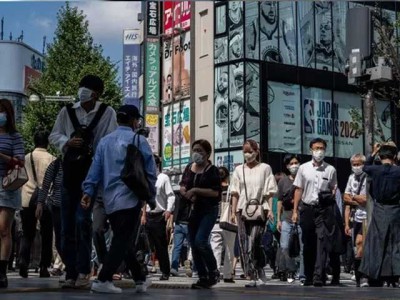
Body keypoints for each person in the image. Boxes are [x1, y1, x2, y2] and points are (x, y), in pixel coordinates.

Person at [49, 75, 117, 288]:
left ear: (95, 94)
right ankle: (70, 271)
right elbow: (54, 135)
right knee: (66, 225)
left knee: (82, 221)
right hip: (69, 172)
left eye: (85, 89)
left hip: (92, 174)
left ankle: (83, 270)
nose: (81, 92)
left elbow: (109, 141)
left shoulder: (107, 113)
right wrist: (67, 141)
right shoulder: (67, 112)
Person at [82, 105, 157, 294]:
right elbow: (150, 172)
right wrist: (151, 196)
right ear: (134, 121)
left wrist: (88, 191)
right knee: (122, 240)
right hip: (130, 198)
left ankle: (140, 279)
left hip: (108, 199)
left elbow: (95, 169)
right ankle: (103, 279)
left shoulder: (105, 142)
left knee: (123, 241)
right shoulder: (139, 140)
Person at [292, 138, 342, 287]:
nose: (319, 151)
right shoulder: (303, 168)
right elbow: (298, 189)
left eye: (321, 148)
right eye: (316, 148)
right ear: (311, 150)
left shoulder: (330, 169)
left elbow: (334, 189)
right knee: (308, 243)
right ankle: (307, 275)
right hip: (307, 208)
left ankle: (318, 276)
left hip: (323, 210)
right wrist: (295, 210)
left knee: (322, 241)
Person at [230, 139, 277, 287]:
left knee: (255, 241)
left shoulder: (265, 168)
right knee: (244, 243)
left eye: (250, 151)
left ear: (257, 152)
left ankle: (260, 266)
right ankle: (251, 275)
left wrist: (270, 209)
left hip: (259, 208)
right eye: (245, 151)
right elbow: (235, 192)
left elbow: (269, 191)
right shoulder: (239, 170)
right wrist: (233, 212)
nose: (247, 154)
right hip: (242, 209)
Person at [180, 139, 221, 289]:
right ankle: (203, 276)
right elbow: (183, 185)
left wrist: (196, 190)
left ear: (208, 154)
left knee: (200, 241)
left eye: (200, 151)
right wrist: (186, 193)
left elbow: (215, 192)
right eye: (195, 150)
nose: (196, 154)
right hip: (192, 210)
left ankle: (213, 271)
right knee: (193, 243)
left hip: (208, 210)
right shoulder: (189, 168)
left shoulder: (212, 170)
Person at [360, 142, 400, 287]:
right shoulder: (398, 171)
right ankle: (395, 276)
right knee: (395, 241)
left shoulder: (375, 169)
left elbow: (364, 166)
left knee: (375, 241)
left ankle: (368, 275)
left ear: (381, 156)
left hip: (379, 208)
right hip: (395, 208)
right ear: (394, 157)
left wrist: (373, 153)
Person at [19, 131, 55, 278]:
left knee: (27, 234)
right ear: (47, 142)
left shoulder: (25, 158)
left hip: (27, 199)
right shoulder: (53, 159)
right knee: (47, 235)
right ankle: (44, 267)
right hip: (46, 200)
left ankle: (23, 262)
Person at [0, 98, 25, 288]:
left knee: (3, 229)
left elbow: (20, 161)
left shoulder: (14, 136)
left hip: (7, 185)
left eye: (3, 111)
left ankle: (2, 271)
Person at [142, 154, 175, 281]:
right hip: (147, 215)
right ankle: (142, 267)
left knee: (160, 245)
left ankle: (165, 271)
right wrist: (143, 214)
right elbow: (144, 198)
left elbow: (171, 195)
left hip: (159, 215)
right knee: (144, 244)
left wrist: (168, 210)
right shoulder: (145, 178)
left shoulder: (163, 178)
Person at [276, 155, 304, 283]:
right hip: (286, 218)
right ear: (287, 166)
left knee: (303, 247)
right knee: (285, 246)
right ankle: (290, 270)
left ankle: (302, 273)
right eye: (291, 163)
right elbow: (279, 201)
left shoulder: (304, 179)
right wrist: (278, 219)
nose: (294, 165)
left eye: (296, 162)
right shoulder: (283, 181)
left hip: (302, 217)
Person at [343, 153, 368, 287]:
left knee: (362, 245)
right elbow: (345, 198)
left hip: (369, 217)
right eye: (354, 164)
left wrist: (354, 198)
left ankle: (365, 275)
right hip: (357, 217)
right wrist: (357, 198)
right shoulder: (351, 178)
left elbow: (367, 200)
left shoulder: (368, 178)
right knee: (357, 245)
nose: (356, 166)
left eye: (359, 164)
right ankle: (359, 275)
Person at [36, 155, 63, 276]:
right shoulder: (56, 165)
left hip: (75, 206)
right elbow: (45, 186)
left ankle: (73, 269)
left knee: (70, 238)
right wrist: (40, 203)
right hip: (56, 206)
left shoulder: (83, 163)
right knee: (58, 240)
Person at [210, 166, 236, 283]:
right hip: (229, 222)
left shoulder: (213, 189)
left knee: (216, 249)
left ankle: (215, 272)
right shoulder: (231, 189)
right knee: (229, 249)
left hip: (214, 223)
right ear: (227, 176)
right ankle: (227, 275)